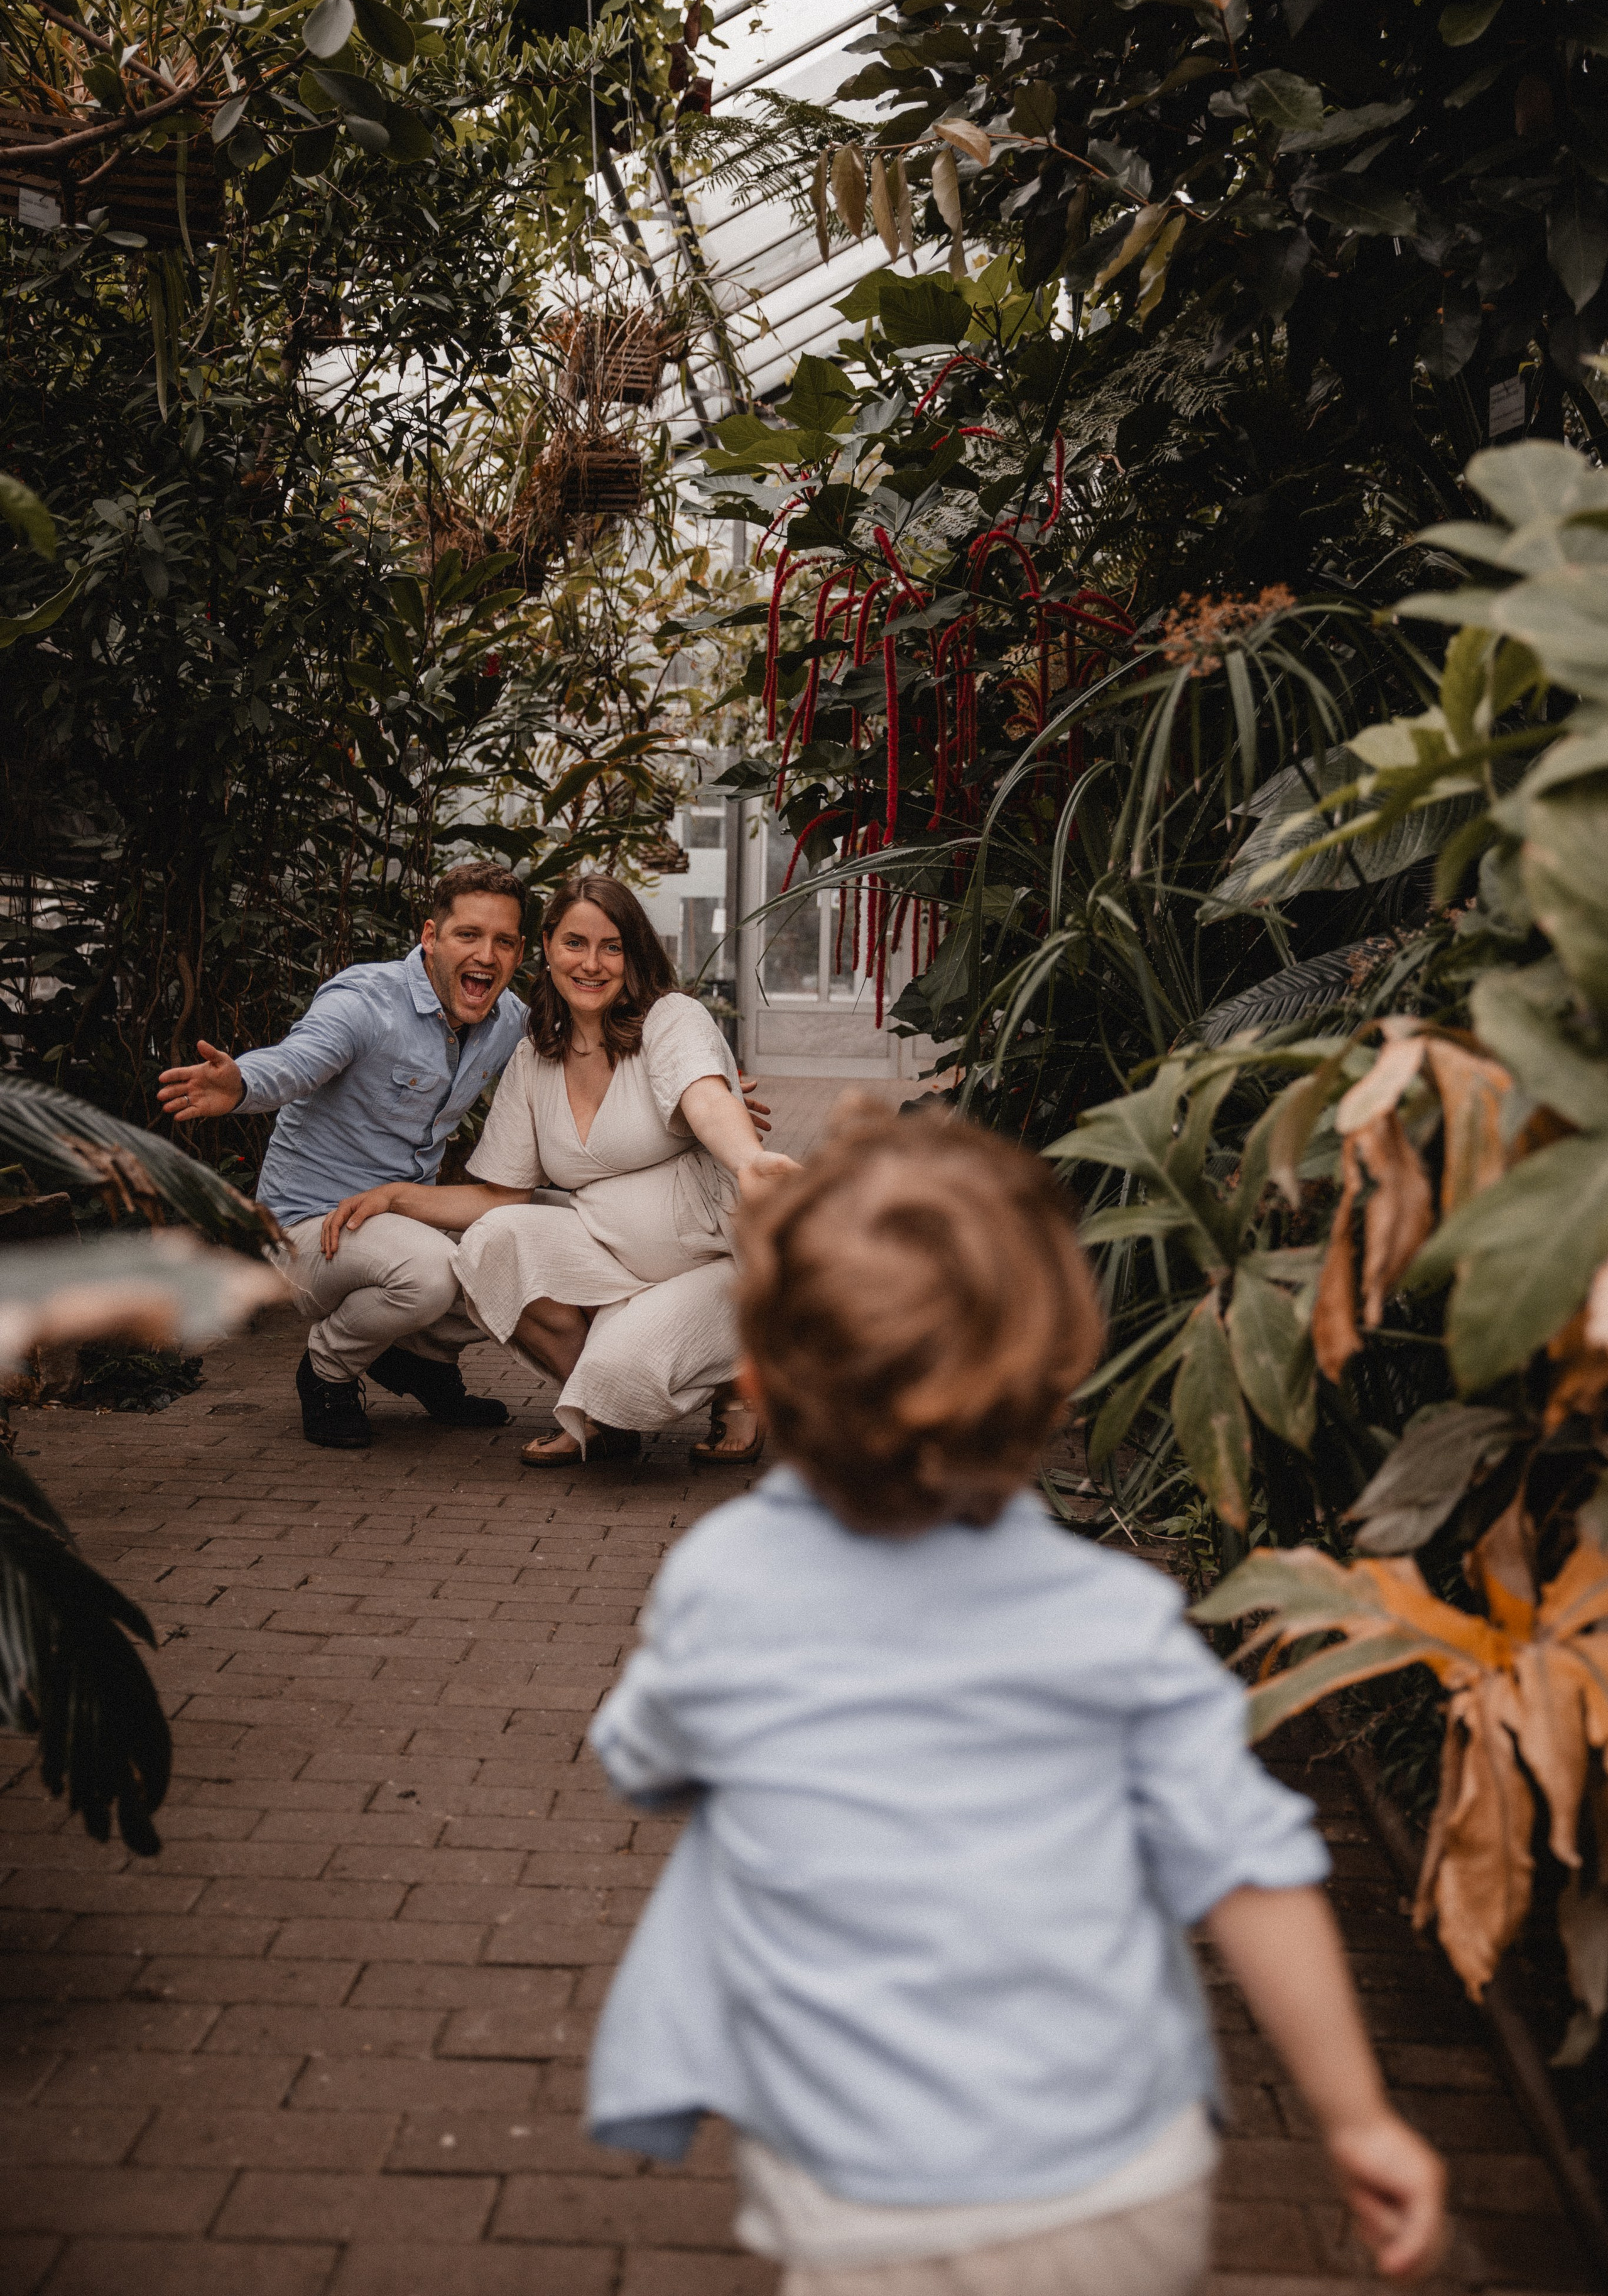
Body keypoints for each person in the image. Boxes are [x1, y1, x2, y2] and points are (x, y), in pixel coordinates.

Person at [582, 1106, 1448, 2295]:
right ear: (1055, 1378)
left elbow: (645, 1758)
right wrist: (1356, 2118)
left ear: (758, 1378)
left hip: (860, 2196)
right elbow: (1249, 1868)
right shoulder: (1118, 1622)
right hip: (1118, 2185)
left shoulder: (722, 1587)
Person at [158, 859, 773, 1453]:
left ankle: (423, 1364)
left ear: (520, 951)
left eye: (503, 941)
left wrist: (704, 1091)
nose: (486, 955)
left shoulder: (513, 1024)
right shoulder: (364, 1003)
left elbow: (603, 1064)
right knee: (435, 1271)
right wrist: (241, 1084)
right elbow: (297, 1062)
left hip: (400, 1223)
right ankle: (327, 1372)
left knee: (510, 1252)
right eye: (468, 935)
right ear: (430, 937)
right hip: (311, 1229)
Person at [320, 874, 798, 1469]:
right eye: (576, 943)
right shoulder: (536, 1052)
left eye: (612, 947)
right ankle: (592, 1410)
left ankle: (733, 1390)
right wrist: (395, 1197)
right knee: (492, 1243)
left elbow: (705, 1096)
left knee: (628, 1379)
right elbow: (502, 1194)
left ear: (634, 954)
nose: (592, 964)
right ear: (546, 947)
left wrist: (747, 1159)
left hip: (713, 1266)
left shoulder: (671, 1018)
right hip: (610, 1258)